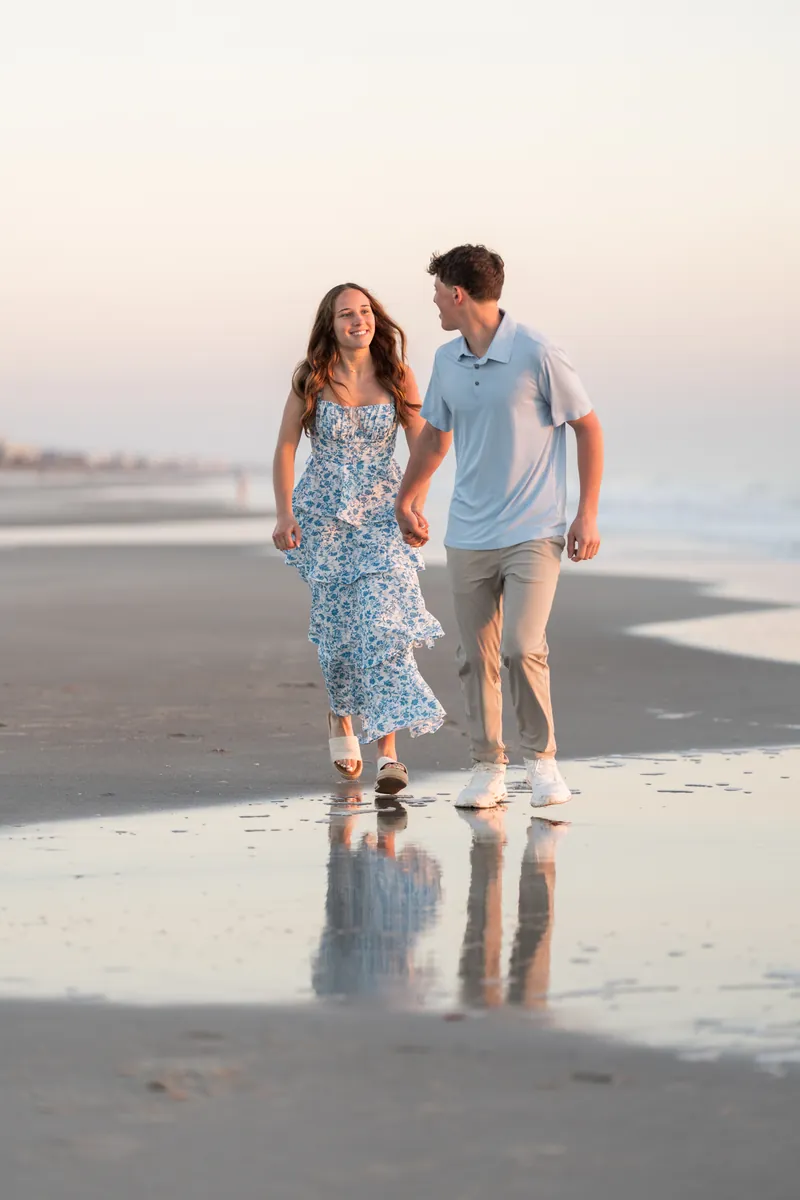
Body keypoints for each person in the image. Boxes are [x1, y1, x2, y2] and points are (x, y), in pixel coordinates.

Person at [395, 245, 604, 809]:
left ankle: (543, 762)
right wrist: (407, 496)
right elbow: (436, 439)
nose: (435, 302)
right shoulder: (445, 361)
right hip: (467, 533)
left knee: (520, 646)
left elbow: (587, 428)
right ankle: (487, 766)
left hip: (536, 529)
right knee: (475, 655)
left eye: (438, 291)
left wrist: (586, 513)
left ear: (458, 294)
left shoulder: (537, 353)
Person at [272, 283, 445, 794]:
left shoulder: (398, 375)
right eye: (346, 314)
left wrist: (413, 504)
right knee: (341, 632)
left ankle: (389, 755)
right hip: (322, 519)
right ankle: (341, 718)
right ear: (331, 324)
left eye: (365, 311)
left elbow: (425, 447)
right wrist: (284, 513)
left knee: (384, 628)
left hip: (383, 516)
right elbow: (285, 447)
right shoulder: (312, 378)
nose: (358, 321)